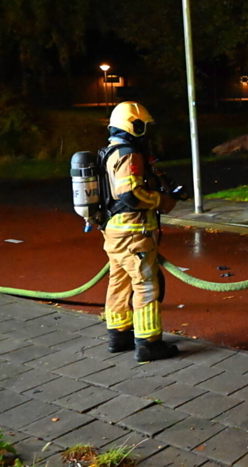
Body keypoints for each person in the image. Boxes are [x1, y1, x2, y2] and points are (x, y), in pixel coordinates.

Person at [99, 101, 180, 362]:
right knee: (146, 284)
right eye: (143, 126)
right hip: (133, 231)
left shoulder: (110, 151)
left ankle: (119, 334)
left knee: (119, 282)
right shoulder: (129, 154)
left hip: (114, 230)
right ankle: (148, 343)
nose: (145, 132)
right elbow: (130, 194)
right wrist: (161, 200)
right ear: (133, 125)